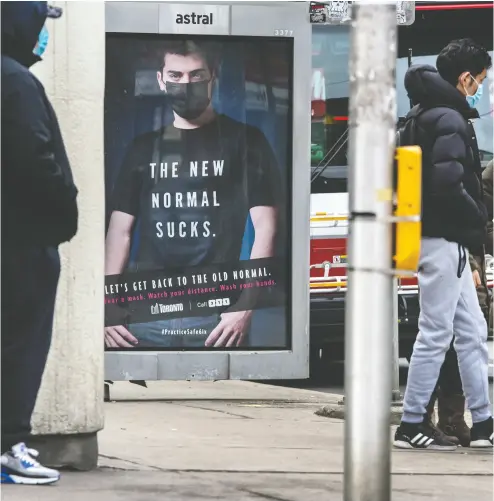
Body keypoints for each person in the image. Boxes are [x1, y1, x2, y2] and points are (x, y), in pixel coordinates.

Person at [104, 40, 281, 349]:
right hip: (145, 314)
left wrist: (245, 306)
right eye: (175, 76)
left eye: (196, 75)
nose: (185, 85)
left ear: (214, 75)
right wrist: (108, 305)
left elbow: (267, 227)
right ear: (161, 79)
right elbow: (119, 231)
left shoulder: (246, 141)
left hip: (219, 317)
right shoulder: (143, 148)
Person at [394, 39, 493, 450]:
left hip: (434, 237)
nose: (481, 89)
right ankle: (411, 422)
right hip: (444, 239)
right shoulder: (449, 119)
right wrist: (477, 223)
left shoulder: (422, 115)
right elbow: (450, 185)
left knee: (472, 331)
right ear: (465, 77)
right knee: (436, 333)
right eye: (480, 81)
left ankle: (485, 424)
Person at [1, 1, 78, 484]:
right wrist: (61, 212)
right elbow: (35, 157)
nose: (43, 35)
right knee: (20, 346)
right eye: (40, 23)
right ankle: (8, 445)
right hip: (22, 242)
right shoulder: (15, 83)